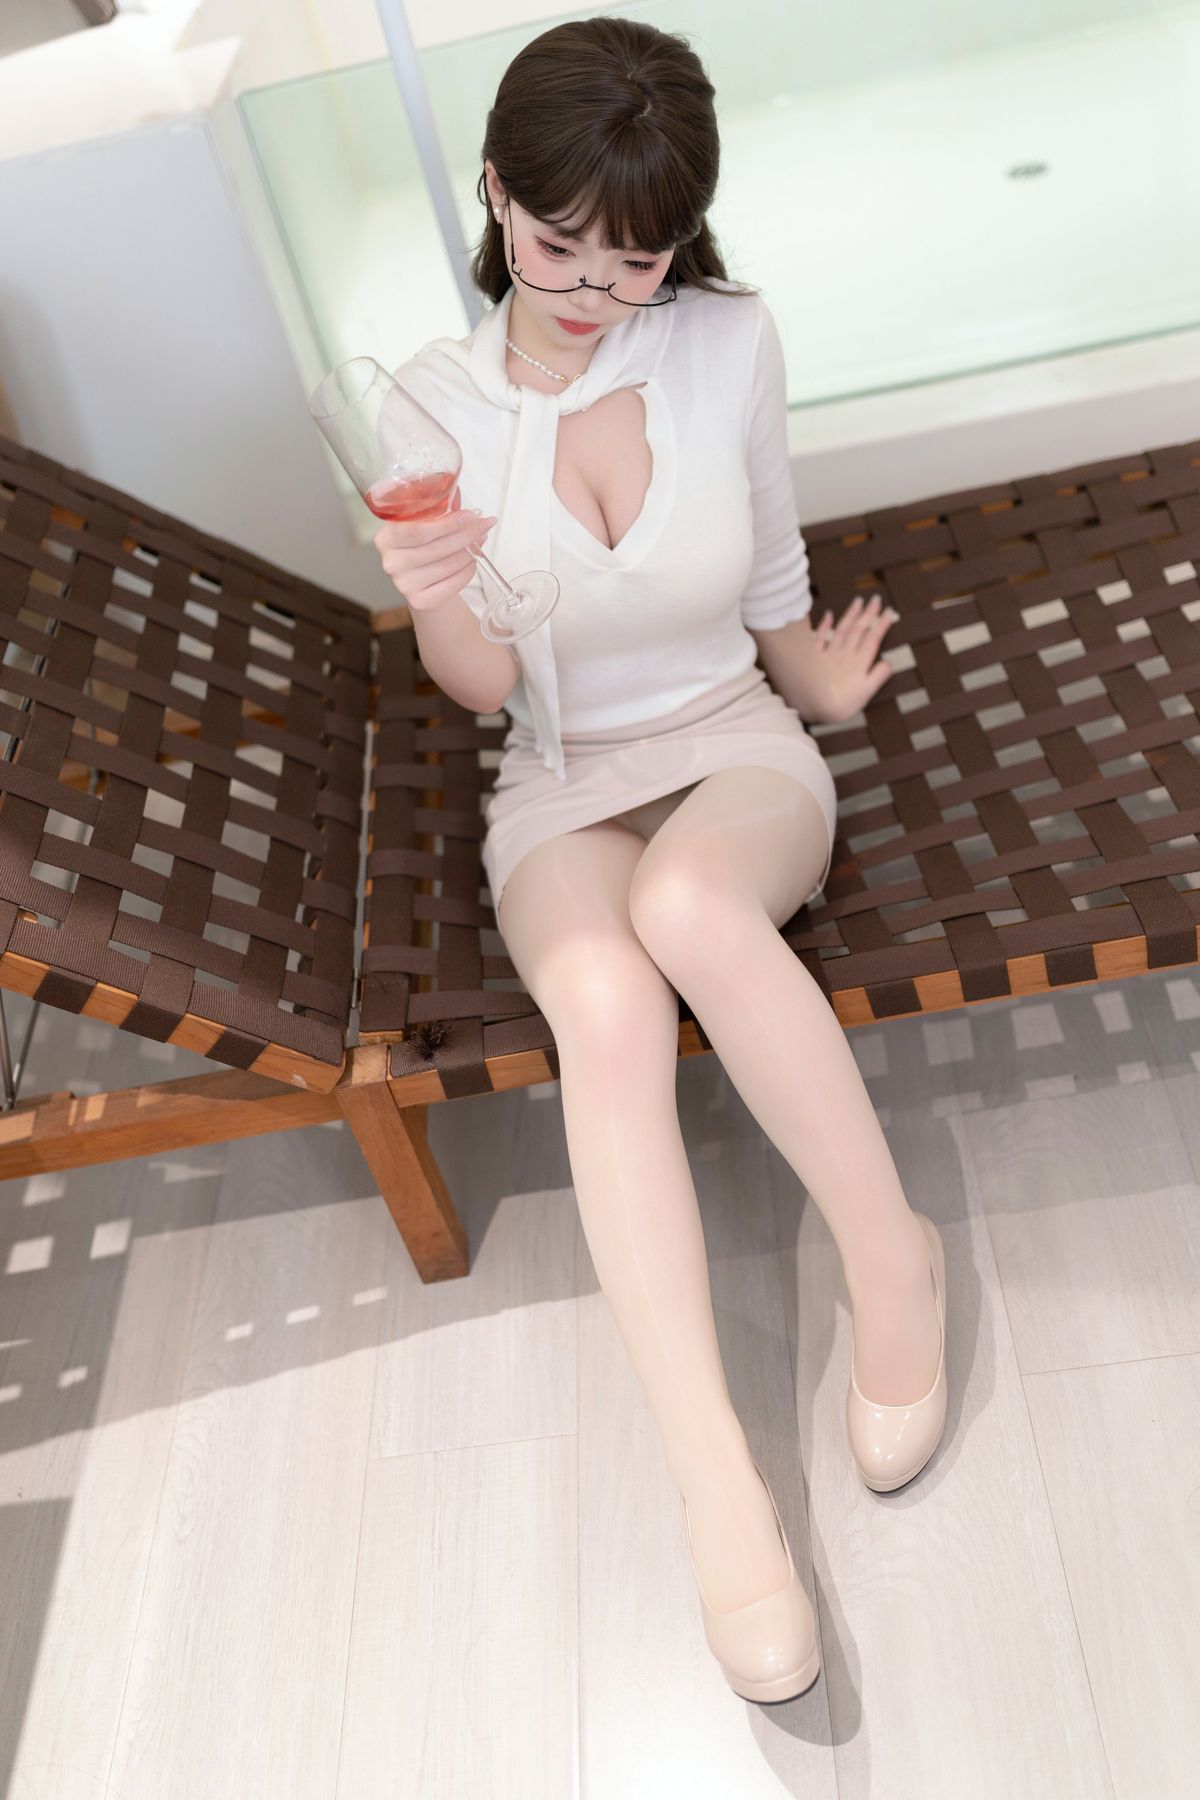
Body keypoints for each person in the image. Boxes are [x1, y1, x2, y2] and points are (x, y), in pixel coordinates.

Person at [372, 15, 947, 1706]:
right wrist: (435, 596)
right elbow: (484, 689)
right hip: (560, 779)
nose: (591, 290)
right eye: (559, 246)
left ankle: (896, 1261)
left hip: (729, 745)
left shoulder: (726, 343)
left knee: (687, 904)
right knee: (609, 1009)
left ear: (677, 244)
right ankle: (721, 1494)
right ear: (496, 192)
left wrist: (815, 679)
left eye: (635, 261)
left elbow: (766, 568)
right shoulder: (429, 402)